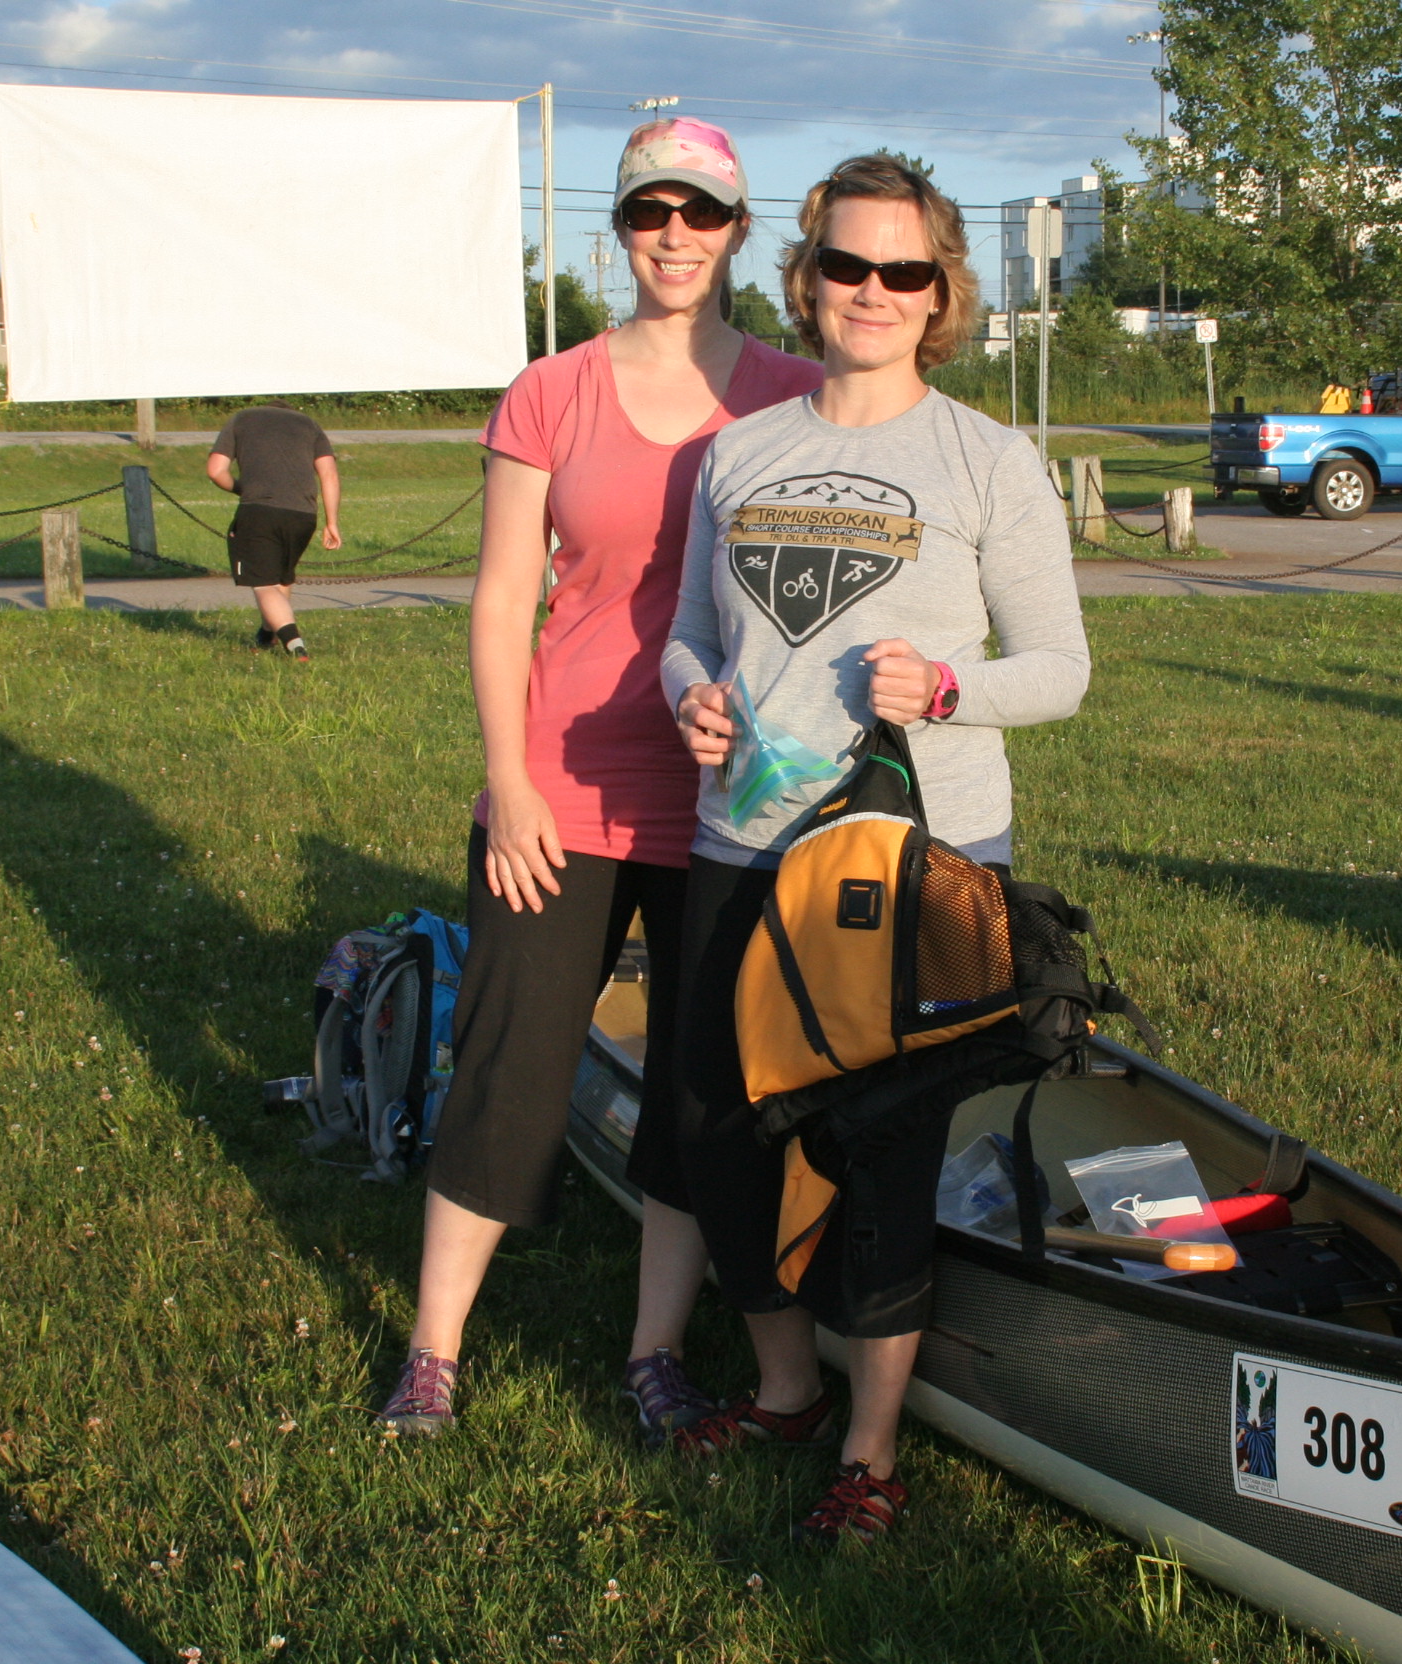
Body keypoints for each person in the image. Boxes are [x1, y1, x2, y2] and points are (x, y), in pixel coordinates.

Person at [660, 153, 1089, 1544]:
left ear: (941, 292)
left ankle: (872, 1448)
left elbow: (1064, 671)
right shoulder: (739, 451)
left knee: (885, 1148)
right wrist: (690, 695)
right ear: (808, 276)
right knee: (722, 1133)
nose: (872, 293)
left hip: (913, 857)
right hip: (744, 838)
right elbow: (687, 633)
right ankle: (785, 1385)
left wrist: (948, 689)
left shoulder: (986, 459)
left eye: (905, 272)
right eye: (847, 265)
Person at [376, 118, 822, 1440]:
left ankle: (655, 1353)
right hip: (562, 794)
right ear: (620, 231)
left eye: (701, 213)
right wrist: (505, 780)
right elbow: (506, 591)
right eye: (649, 213)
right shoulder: (552, 390)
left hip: (731, 803)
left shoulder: (794, 393)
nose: (674, 235)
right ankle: (433, 1353)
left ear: (738, 231)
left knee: (697, 1090)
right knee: (511, 1067)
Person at [206, 399, 342, 660]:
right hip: (303, 515)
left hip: (259, 511)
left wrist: (240, 488)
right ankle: (267, 635)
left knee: (263, 583)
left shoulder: (242, 418)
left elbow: (215, 471)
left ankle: (294, 643)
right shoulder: (309, 424)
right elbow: (329, 475)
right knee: (281, 578)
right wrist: (332, 523)